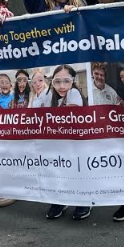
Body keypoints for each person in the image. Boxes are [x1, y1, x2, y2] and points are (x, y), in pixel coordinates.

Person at [45, 65, 91, 221]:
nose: (62, 86)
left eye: (66, 81)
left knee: (77, 171)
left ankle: (84, 200)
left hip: (77, 143)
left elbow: (69, 117)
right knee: (59, 172)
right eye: (57, 82)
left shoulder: (74, 93)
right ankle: (61, 199)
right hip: (60, 144)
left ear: (73, 81)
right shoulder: (51, 97)